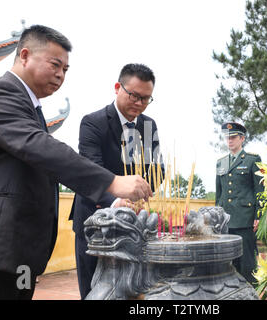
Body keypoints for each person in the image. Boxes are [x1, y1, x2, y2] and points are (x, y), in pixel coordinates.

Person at [0, 25, 152, 300]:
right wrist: (112, 182)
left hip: (15, 254)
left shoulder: (31, 108)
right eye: (55, 64)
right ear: (25, 56)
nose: (60, 75)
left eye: (66, 70)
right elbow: (41, 149)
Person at [69, 63, 163, 299]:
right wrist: (116, 199)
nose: (139, 103)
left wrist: (143, 191)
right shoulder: (93, 122)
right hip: (95, 217)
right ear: (117, 88)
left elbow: (158, 168)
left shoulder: (148, 126)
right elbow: (91, 170)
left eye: (146, 99)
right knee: (95, 290)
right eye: (134, 96)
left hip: (134, 222)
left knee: (134, 289)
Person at [215, 122, 264, 285]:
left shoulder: (253, 160)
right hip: (226, 221)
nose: (229, 141)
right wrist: (217, 217)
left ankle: (250, 293)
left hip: (245, 219)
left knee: (247, 264)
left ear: (242, 138)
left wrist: (259, 215)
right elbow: (219, 193)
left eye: (233, 137)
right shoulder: (220, 163)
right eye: (227, 137)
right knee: (228, 263)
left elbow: (260, 190)